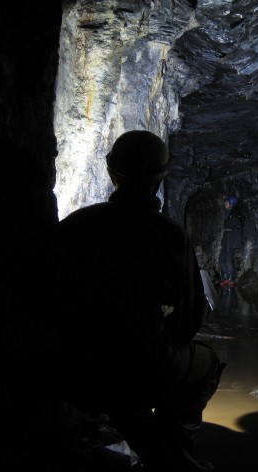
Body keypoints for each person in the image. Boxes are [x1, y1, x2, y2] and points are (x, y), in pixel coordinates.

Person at [54, 130, 223, 471]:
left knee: (121, 371)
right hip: (140, 373)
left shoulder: (74, 226)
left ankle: (156, 451)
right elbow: (189, 323)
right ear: (160, 175)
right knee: (207, 362)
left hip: (72, 374)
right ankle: (170, 454)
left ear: (109, 170)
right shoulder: (169, 235)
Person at [218, 195, 243, 287]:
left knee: (228, 259)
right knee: (221, 259)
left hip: (231, 239)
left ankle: (230, 279)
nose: (225, 203)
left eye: (227, 202)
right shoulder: (228, 213)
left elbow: (235, 226)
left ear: (231, 204)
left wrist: (235, 241)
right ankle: (225, 278)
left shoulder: (234, 214)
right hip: (226, 238)